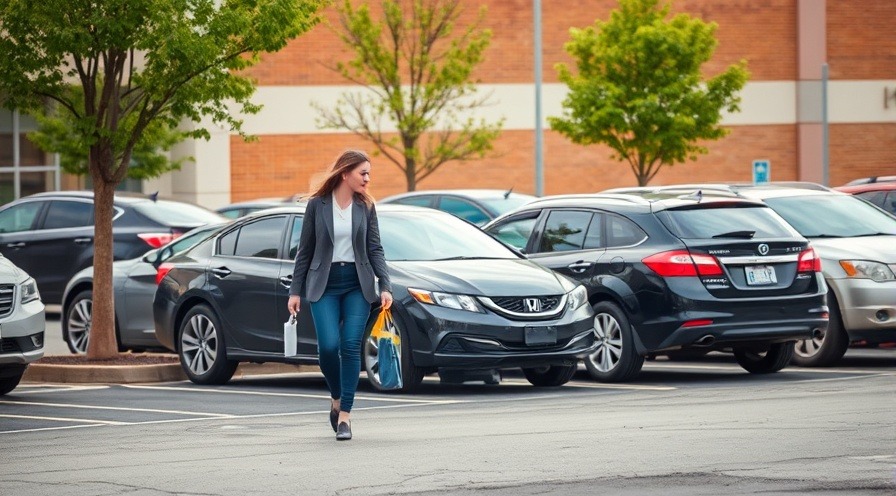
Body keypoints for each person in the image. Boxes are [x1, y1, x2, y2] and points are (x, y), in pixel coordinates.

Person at [287, 150, 393, 441]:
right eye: (363, 173)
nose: (368, 179)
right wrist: (295, 291)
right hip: (324, 284)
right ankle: (336, 396)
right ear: (346, 173)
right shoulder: (317, 205)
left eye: (369, 173)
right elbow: (304, 251)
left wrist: (385, 285)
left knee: (349, 346)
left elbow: (375, 249)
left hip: (357, 285)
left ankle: (345, 415)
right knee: (329, 348)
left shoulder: (366, 206)